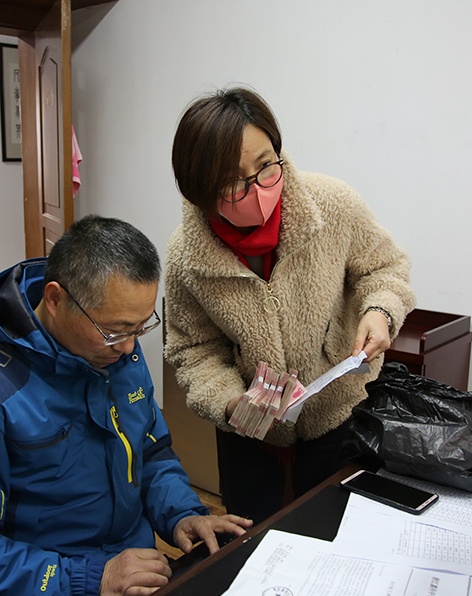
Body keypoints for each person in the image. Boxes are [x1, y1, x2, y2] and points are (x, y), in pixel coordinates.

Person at [0, 215, 251, 596]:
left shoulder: (116, 357)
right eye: (114, 330)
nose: (129, 347)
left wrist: (182, 513)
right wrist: (89, 579)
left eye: (139, 328)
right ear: (54, 299)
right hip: (48, 586)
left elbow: (150, 454)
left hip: (134, 572)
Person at [164, 87, 416, 524]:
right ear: (200, 190)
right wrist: (230, 402)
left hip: (337, 415)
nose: (258, 189)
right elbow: (193, 350)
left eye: (266, 165)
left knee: (332, 530)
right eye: (233, 181)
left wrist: (380, 311)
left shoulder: (332, 205)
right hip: (249, 435)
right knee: (255, 540)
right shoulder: (187, 257)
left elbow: (384, 267)